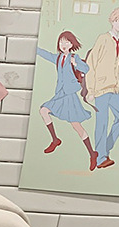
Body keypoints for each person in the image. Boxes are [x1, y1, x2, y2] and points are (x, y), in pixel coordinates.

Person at [38, 31, 98, 170]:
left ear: (72, 44)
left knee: (76, 126)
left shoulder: (74, 57)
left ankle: (92, 153)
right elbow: (45, 54)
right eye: (61, 42)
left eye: (67, 42)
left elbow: (86, 68)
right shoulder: (58, 58)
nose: (63, 44)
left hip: (70, 96)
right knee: (43, 110)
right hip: (60, 94)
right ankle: (55, 139)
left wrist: (75, 63)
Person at [85, 7, 119, 169]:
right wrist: (90, 90)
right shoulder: (103, 39)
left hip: (114, 88)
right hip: (101, 87)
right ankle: (100, 158)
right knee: (102, 122)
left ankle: (105, 147)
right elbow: (91, 63)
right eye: (117, 20)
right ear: (112, 20)